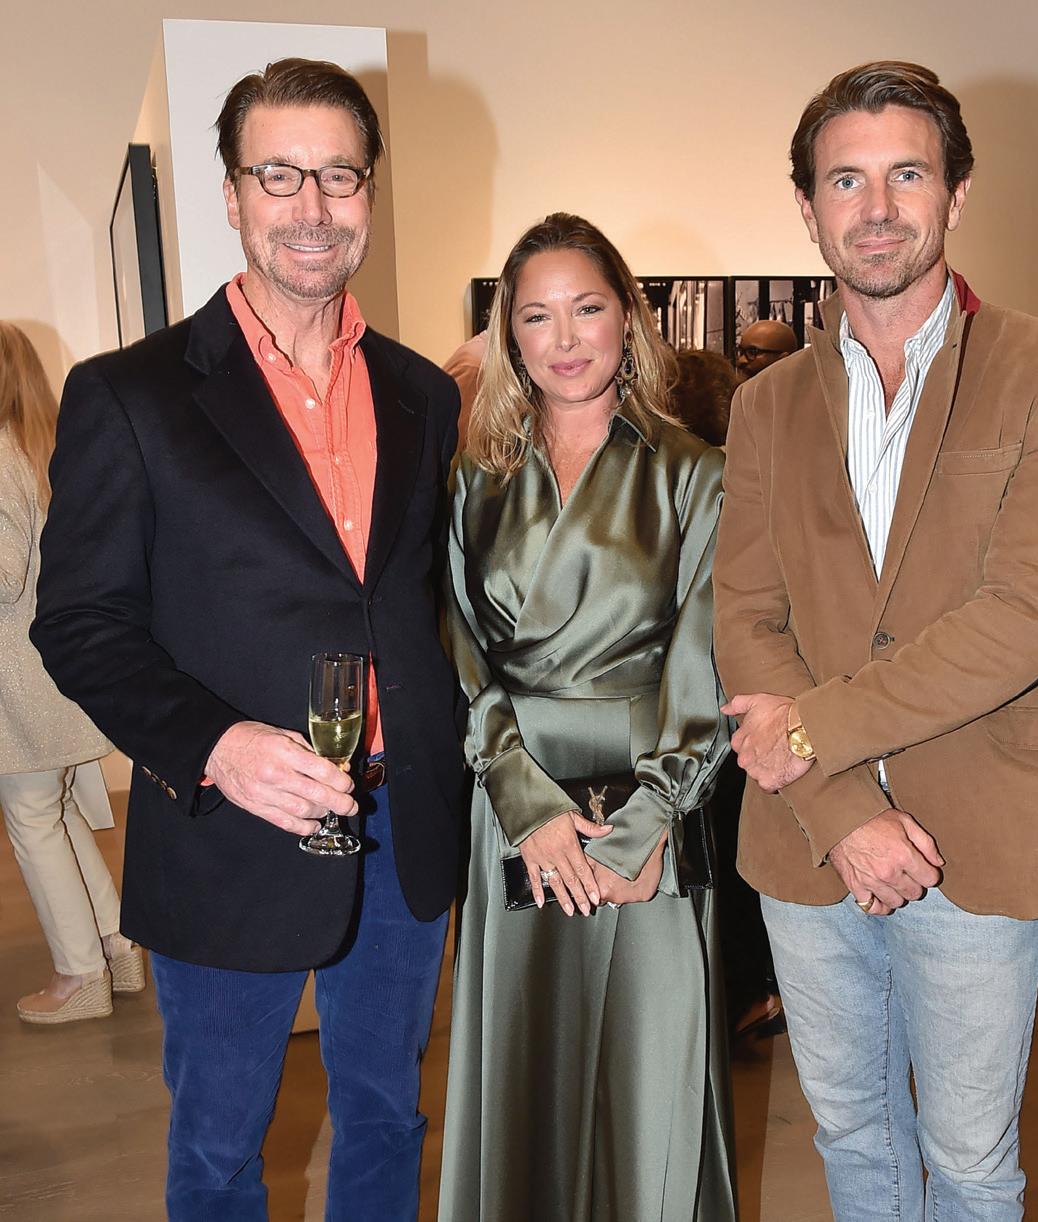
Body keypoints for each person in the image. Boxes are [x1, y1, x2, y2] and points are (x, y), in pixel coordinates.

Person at [31, 59, 463, 1221]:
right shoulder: (131, 394)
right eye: (278, 174)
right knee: (221, 1146)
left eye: (337, 174)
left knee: (388, 1113)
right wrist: (217, 745)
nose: (311, 206)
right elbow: (78, 620)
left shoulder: (422, 394)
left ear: (368, 192)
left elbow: (420, 602)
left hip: (400, 828)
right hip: (227, 830)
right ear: (230, 194)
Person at [713, 61, 1038, 1221]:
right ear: (808, 208)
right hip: (806, 837)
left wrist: (807, 732)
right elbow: (744, 616)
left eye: (906, 174)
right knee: (850, 1133)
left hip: (979, 830)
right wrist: (839, 805)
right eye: (845, 180)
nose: (877, 207)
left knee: (970, 1160)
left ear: (954, 193)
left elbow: (1023, 616)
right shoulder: (764, 406)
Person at [438, 212, 737, 1221]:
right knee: (525, 1070)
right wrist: (523, 805)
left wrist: (649, 825)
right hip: (515, 801)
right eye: (536, 316)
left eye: (586, 308)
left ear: (628, 320)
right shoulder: (473, 479)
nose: (564, 338)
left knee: (651, 1077)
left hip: (647, 803)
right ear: (507, 337)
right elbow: (460, 653)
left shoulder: (694, 471)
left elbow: (707, 666)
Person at [0, 320, 143, 1025]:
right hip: (49, 671)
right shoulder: (41, 449)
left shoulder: (0, 456)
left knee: (33, 819)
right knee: (51, 813)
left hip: (19, 684)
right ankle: (115, 946)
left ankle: (80, 975)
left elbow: (3, 575)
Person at [669, 345, 785, 1044]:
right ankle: (755, 988)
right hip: (753, 693)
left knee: (713, 854)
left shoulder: (688, 482)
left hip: (703, 700)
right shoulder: (751, 474)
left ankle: (734, 992)